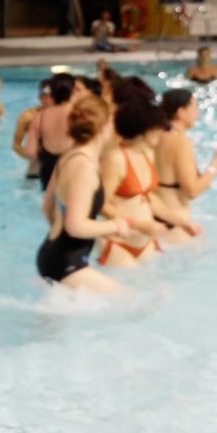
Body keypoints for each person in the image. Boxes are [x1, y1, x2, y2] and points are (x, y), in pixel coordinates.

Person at [37, 95, 129, 293]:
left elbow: (47, 207)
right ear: (104, 127)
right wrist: (115, 225)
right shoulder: (84, 167)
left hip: (54, 253)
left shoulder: (69, 156)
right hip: (67, 262)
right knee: (133, 301)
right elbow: (75, 226)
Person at [98, 97, 168, 267]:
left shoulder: (147, 154)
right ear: (144, 130)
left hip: (145, 241)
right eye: (157, 128)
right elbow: (100, 204)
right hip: (118, 242)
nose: (161, 132)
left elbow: (148, 198)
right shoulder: (116, 159)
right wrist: (140, 225)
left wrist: (182, 221)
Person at [152, 89, 217, 245]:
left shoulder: (155, 134)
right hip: (175, 222)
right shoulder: (181, 142)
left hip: (155, 215)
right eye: (195, 108)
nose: (199, 114)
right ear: (181, 112)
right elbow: (192, 190)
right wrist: (214, 165)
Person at [25, 73, 76, 190]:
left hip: (48, 167)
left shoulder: (40, 116)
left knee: (51, 205)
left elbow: (31, 152)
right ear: (72, 92)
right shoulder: (78, 114)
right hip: (72, 163)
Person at [13, 79, 53, 179]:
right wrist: (33, 156)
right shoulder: (28, 116)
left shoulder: (65, 115)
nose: (47, 98)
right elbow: (16, 145)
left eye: (50, 95)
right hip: (35, 171)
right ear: (39, 96)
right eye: (44, 94)